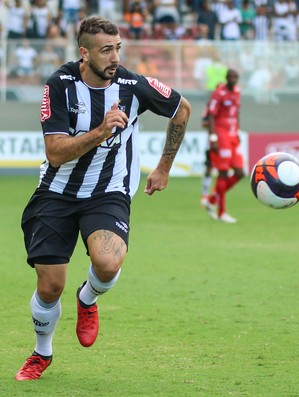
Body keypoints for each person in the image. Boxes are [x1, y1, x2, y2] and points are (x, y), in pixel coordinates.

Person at [15, 15, 191, 381]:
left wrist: (163, 168)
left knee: (109, 262)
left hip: (108, 191)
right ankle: (41, 353)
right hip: (56, 193)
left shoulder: (132, 83)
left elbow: (182, 110)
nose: (115, 57)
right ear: (84, 53)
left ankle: (88, 299)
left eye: (118, 49)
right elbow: (56, 153)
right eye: (106, 50)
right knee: (50, 286)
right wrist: (102, 129)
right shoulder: (59, 85)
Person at [204, 69, 244, 223]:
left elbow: (237, 113)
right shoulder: (219, 93)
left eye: (236, 77)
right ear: (227, 78)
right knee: (223, 173)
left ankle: (212, 199)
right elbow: (211, 115)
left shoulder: (237, 92)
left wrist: (238, 130)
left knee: (240, 172)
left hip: (233, 135)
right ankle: (221, 213)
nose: (233, 79)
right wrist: (213, 137)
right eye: (231, 77)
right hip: (221, 135)